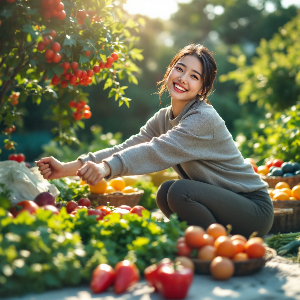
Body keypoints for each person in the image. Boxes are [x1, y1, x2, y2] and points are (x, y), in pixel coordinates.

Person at [36, 44, 274, 237]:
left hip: (253, 208)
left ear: (202, 88)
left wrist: (106, 168)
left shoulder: (202, 118)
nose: (183, 78)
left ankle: (217, 242)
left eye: (194, 76)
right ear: (170, 70)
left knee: (179, 191)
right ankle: (206, 239)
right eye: (179, 69)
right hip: (225, 203)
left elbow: (155, 151)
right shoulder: (164, 118)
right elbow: (128, 147)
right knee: (165, 192)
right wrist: (64, 169)